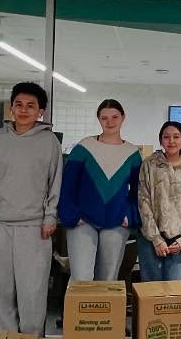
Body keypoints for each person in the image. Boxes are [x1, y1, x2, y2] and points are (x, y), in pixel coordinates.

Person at [0, 82, 63, 336]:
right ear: (11, 108)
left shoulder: (49, 142)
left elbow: (55, 182)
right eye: (19, 105)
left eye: (31, 106)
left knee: (32, 289)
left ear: (41, 112)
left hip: (35, 227)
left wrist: (50, 216)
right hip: (1, 225)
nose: (24, 110)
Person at [58, 98, 142, 281]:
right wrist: (72, 216)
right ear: (98, 119)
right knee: (81, 279)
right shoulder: (84, 148)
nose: (110, 122)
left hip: (116, 222)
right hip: (83, 221)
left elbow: (138, 192)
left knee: (107, 279)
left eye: (114, 117)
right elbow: (67, 186)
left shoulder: (133, 154)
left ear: (123, 118)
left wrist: (129, 216)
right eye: (104, 118)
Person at [136, 120, 181, 282]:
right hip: (151, 239)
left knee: (176, 291)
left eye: (176, 137)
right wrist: (156, 239)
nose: (171, 141)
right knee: (151, 290)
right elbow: (143, 201)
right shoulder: (149, 165)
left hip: (179, 241)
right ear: (160, 140)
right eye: (166, 137)